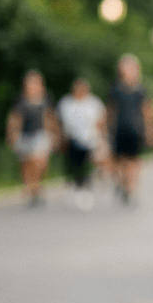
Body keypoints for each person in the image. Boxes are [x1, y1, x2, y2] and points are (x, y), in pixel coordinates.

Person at [106, 54, 153, 204]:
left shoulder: (140, 90)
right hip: (119, 129)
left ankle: (131, 188)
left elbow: (147, 110)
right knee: (119, 161)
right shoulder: (115, 89)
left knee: (134, 160)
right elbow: (110, 110)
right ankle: (122, 183)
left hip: (136, 130)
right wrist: (106, 130)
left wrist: (151, 129)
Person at [5, 69, 60, 206]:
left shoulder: (46, 99)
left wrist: (55, 135)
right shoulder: (20, 100)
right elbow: (14, 118)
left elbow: (51, 117)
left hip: (40, 134)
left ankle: (36, 186)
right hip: (24, 135)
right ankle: (32, 188)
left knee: (40, 162)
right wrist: (11, 135)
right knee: (27, 164)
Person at [56, 77, 106, 210]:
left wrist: (102, 138)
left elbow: (101, 120)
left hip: (90, 139)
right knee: (76, 165)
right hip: (72, 139)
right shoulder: (66, 103)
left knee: (89, 164)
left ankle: (87, 186)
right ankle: (79, 186)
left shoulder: (93, 102)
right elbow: (61, 122)